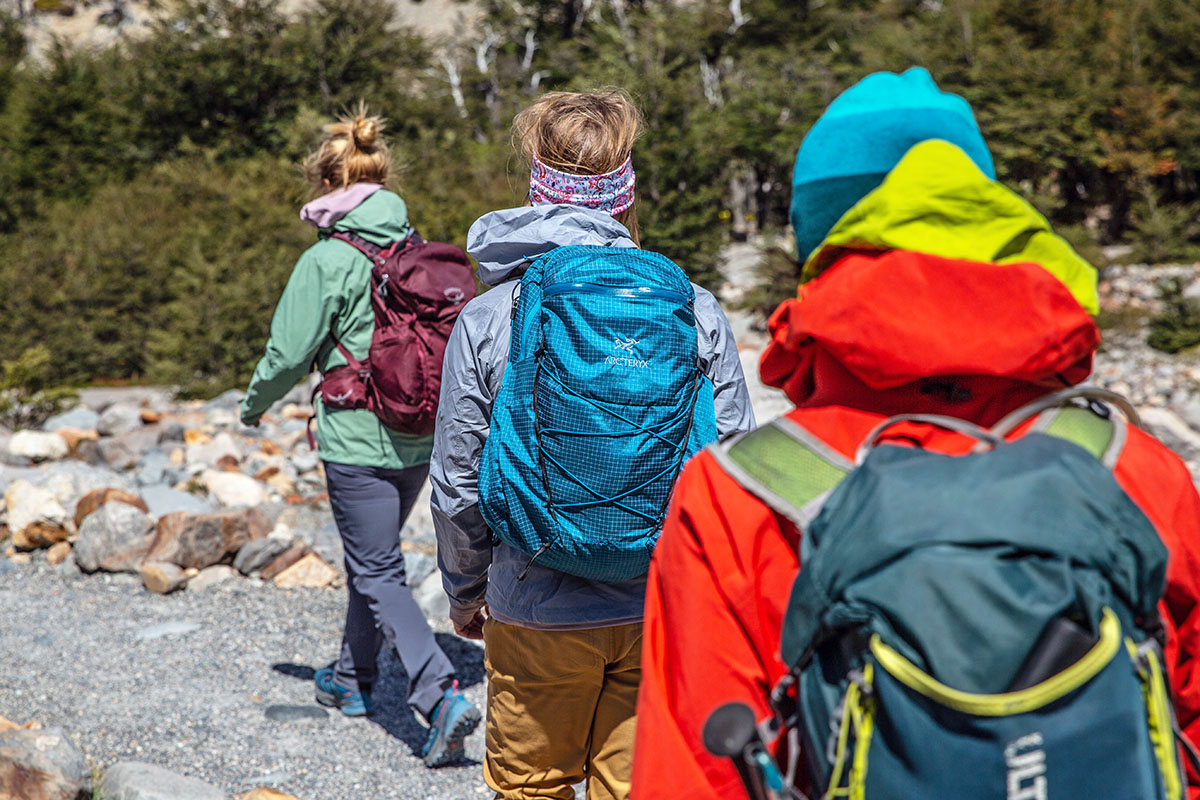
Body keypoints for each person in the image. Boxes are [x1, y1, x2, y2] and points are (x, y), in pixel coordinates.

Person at [631, 67, 1200, 799]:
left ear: (821, 244)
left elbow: (693, 774)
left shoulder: (735, 497)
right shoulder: (1134, 468)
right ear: (983, 214)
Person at [429, 88, 755, 800]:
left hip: (535, 601)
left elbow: (457, 481)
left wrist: (465, 590)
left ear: (537, 185)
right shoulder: (692, 306)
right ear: (625, 194)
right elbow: (734, 462)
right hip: (658, 606)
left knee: (531, 787)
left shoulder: (492, 315)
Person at [239, 106, 480, 768]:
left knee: (376, 567)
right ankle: (352, 678)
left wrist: (252, 407)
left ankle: (438, 695)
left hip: (356, 433)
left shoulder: (327, 259)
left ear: (326, 185)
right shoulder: (412, 246)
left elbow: (288, 354)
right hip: (420, 431)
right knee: (371, 559)